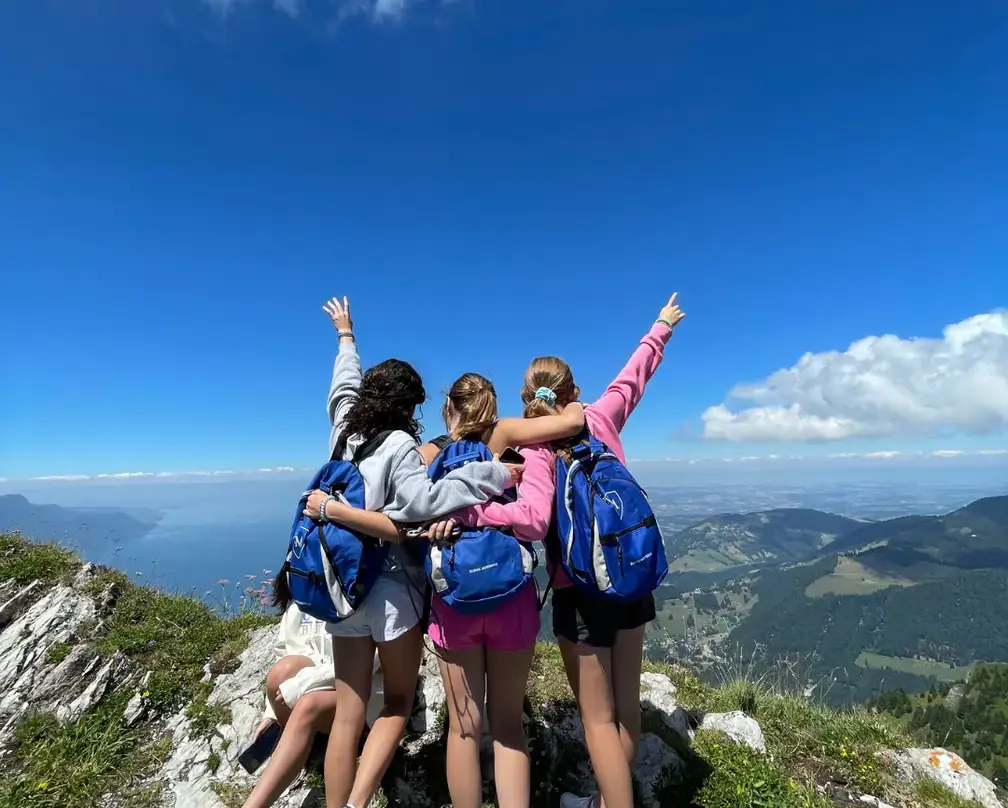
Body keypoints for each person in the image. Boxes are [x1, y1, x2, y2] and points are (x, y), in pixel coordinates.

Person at [435, 292, 687, 808]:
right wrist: (660, 327)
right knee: (626, 705)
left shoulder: (532, 444)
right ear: (574, 389)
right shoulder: (600, 417)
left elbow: (528, 517)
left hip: (578, 588)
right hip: (628, 572)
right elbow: (632, 378)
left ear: (527, 396)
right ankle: (606, 799)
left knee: (597, 718)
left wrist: (463, 514)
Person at [322, 372, 585, 808]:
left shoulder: (428, 454)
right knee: (507, 726)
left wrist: (450, 520)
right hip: (511, 597)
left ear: (450, 409)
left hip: (453, 599)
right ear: (493, 406)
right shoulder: (515, 443)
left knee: (464, 727)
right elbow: (537, 520)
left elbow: (403, 513)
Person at [302, 296, 523, 808]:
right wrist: (489, 475)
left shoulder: (343, 430)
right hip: (391, 589)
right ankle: (359, 803)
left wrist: (345, 335)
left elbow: (342, 386)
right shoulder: (401, 444)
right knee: (398, 703)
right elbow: (420, 506)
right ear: (410, 406)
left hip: (341, 585)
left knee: (350, 711)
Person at [241, 585, 383, 808]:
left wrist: (303, 684)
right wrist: (272, 712)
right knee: (280, 673)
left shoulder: (362, 583)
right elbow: (286, 651)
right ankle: (296, 746)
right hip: (321, 683)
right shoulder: (304, 591)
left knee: (309, 705)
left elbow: (371, 660)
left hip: (363, 692)